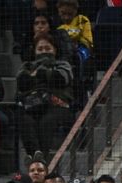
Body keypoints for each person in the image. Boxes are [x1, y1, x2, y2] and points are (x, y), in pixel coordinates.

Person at [16, 33, 74, 161]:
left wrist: (41, 73)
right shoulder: (27, 66)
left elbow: (60, 79)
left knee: (46, 122)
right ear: (34, 51)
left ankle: (42, 159)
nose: (44, 52)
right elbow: (22, 82)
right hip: (32, 105)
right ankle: (36, 154)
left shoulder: (63, 64)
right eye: (40, 49)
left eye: (47, 48)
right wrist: (43, 76)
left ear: (55, 49)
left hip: (57, 105)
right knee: (25, 121)